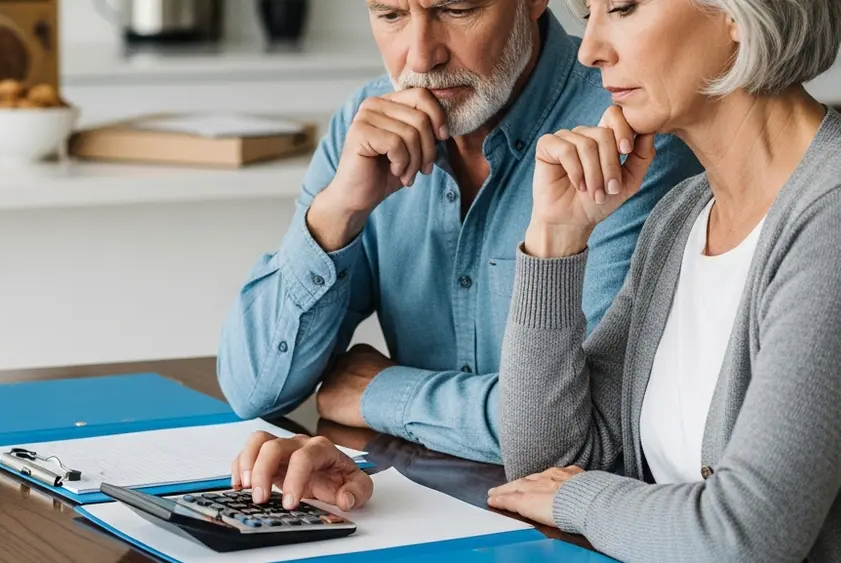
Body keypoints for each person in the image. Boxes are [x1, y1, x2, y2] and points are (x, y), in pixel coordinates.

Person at [228, 0, 841, 559]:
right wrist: (554, 241)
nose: (590, 48)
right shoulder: (685, 216)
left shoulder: (831, 214)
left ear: (736, 15)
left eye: (624, 8)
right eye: (591, 11)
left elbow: (743, 539)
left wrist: (580, 499)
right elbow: (549, 460)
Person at [216, 0, 701, 464]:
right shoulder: (365, 124)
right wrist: (338, 212)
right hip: (413, 507)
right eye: (390, 14)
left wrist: (379, 393)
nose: (422, 56)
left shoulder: (628, 134)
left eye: (456, 10)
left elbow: (586, 425)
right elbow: (254, 388)